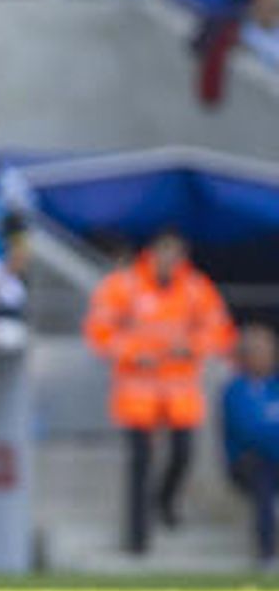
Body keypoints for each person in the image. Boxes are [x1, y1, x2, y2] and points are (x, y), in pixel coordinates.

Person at [84, 229, 238, 555]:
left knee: (183, 456)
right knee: (140, 465)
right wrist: (131, 352)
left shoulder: (196, 289)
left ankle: (164, 501)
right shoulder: (124, 286)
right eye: (164, 252)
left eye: (176, 253)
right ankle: (137, 540)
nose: (169, 260)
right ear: (151, 253)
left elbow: (219, 331)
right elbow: (99, 331)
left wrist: (192, 348)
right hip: (137, 393)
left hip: (180, 393)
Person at [223, 323, 279, 571]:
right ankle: (266, 555)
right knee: (263, 476)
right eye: (257, 351)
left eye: (268, 350)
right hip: (251, 462)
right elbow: (247, 431)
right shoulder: (235, 391)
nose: (264, 356)